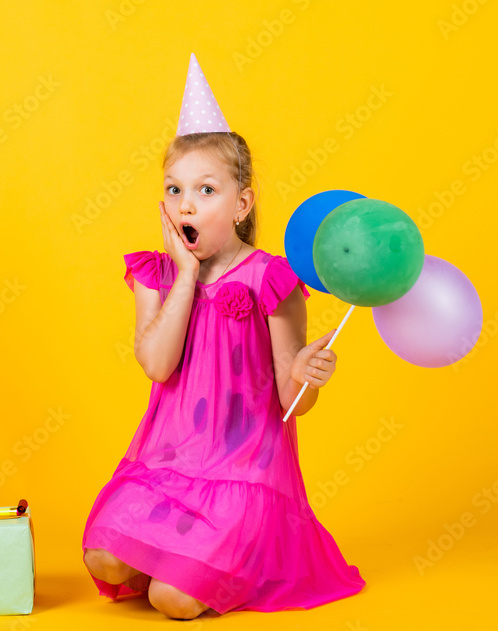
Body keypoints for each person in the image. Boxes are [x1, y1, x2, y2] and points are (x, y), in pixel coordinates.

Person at [81, 54, 366, 620]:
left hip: (243, 471)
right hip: (166, 463)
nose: (186, 204)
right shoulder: (155, 276)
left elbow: (292, 403)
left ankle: (219, 562)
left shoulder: (270, 278)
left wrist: (306, 375)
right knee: (104, 561)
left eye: (206, 190)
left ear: (241, 204)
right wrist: (186, 274)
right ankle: (181, 556)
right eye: (174, 189)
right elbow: (158, 366)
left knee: (171, 600)